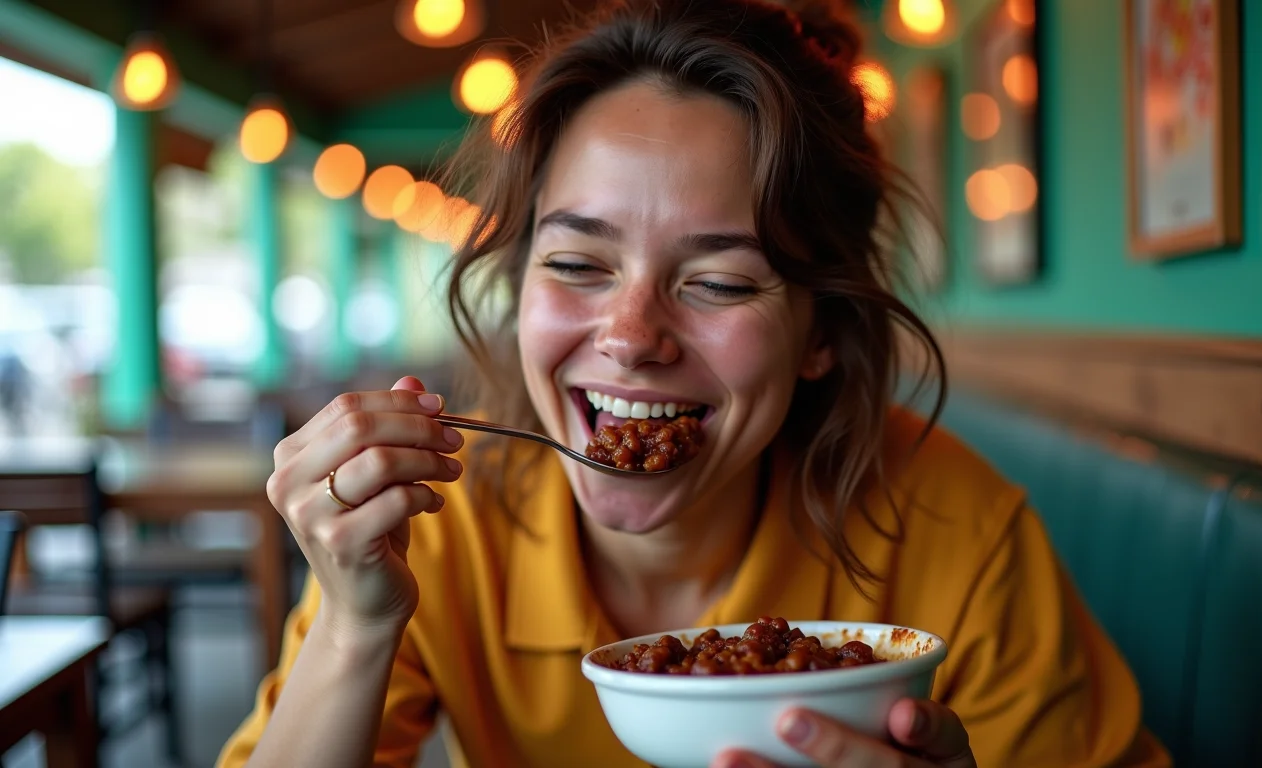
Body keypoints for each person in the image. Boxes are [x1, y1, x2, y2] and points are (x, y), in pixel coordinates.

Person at [218, 1, 1169, 766]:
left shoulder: (955, 527)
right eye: (578, 266)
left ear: (821, 333)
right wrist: (351, 624)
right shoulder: (440, 525)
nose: (630, 338)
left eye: (716, 281)